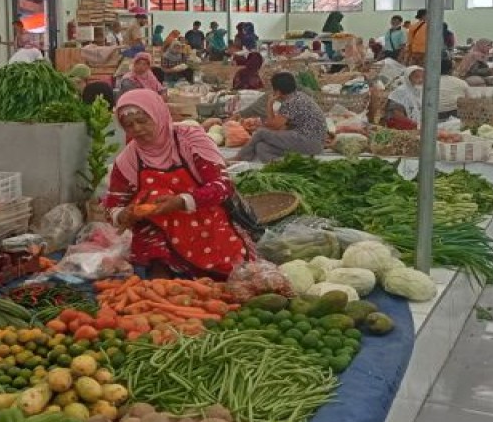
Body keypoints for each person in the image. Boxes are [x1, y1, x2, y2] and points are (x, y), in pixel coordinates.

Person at [103, 89, 254, 279]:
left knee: (233, 275)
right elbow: (112, 205)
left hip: (205, 220)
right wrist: (122, 215)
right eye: (129, 125)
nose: (137, 129)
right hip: (157, 235)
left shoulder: (190, 140)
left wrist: (181, 201)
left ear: (158, 114)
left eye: (142, 121)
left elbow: (223, 186)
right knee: (151, 202)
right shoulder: (128, 159)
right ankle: (160, 278)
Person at [236, 72, 328, 163]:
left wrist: (269, 104)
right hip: (311, 143)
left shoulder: (291, 102)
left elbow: (273, 126)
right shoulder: (298, 96)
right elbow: (278, 127)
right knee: (262, 147)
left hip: (309, 141)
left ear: (277, 91)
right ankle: (280, 166)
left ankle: (240, 157)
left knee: (261, 133)